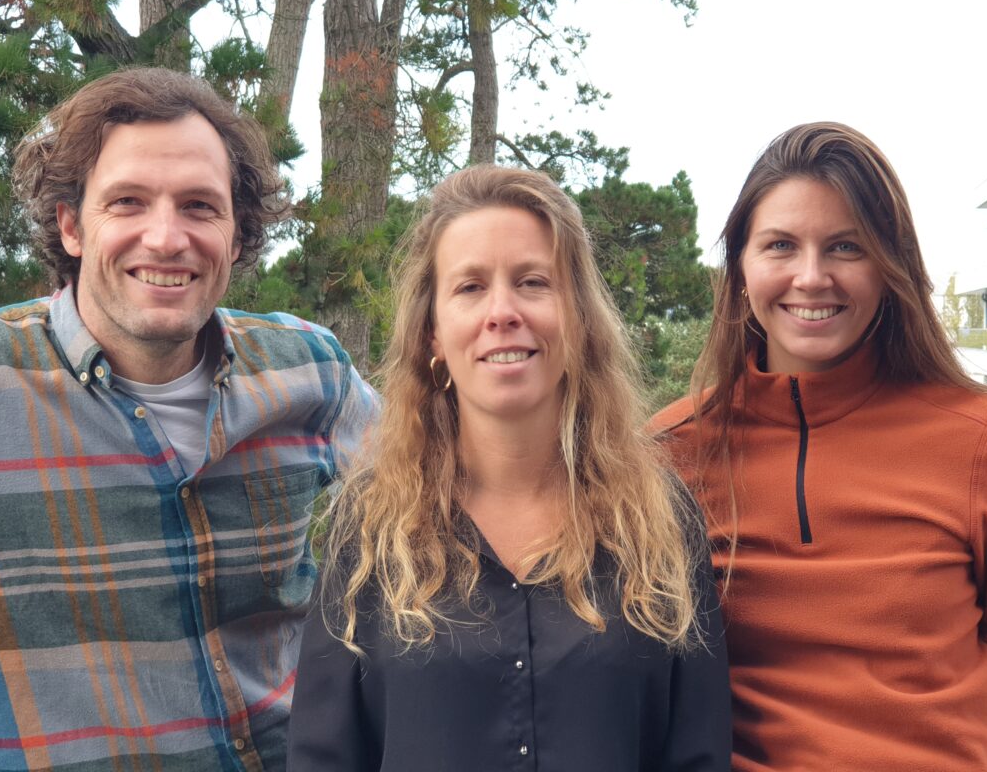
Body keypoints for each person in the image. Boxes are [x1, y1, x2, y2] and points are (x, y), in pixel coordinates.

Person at [0, 68, 377, 771]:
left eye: (200, 206)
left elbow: (458, 510)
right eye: (128, 202)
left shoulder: (309, 372)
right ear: (73, 225)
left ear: (238, 234)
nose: (167, 238)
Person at [288, 165, 730, 771]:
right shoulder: (367, 529)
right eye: (470, 287)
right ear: (432, 335)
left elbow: (697, 752)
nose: (503, 311)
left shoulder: (660, 519)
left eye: (532, 282)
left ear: (577, 320)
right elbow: (324, 756)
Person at [653, 122, 987, 770]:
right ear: (738, 268)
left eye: (846, 247)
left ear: (891, 265)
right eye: (781, 245)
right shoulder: (670, 453)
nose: (811, 277)